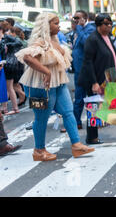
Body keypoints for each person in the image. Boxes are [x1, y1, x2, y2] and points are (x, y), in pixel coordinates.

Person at [15, 12, 94, 161]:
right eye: (56, 23)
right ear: (46, 25)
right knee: (42, 118)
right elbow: (27, 57)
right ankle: (39, 150)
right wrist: (45, 71)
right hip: (41, 84)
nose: (59, 26)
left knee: (68, 112)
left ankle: (76, 145)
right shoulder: (40, 41)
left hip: (58, 82)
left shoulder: (54, 40)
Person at [77, 14, 116, 144]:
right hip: (96, 79)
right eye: (106, 24)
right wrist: (94, 82)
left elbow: (112, 56)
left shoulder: (106, 37)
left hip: (111, 77)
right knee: (94, 107)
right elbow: (88, 62)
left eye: (110, 23)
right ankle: (92, 137)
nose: (110, 26)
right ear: (99, 25)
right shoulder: (92, 39)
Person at [71, 10, 96, 129]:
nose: (75, 20)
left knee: (89, 97)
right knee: (79, 97)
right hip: (78, 70)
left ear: (85, 19)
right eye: (74, 18)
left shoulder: (90, 28)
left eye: (78, 18)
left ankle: (93, 122)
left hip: (86, 70)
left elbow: (86, 43)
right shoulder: (76, 31)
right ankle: (76, 122)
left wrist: (80, 28)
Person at [0, 27, 25, 115]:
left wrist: (7, 42)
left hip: (8, 65)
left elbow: (18, 43)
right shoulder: (7, 40)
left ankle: (10, 108)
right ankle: (6, 108)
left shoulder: (6, 39)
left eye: (8, 31)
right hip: (11, 65)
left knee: (8, 88)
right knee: (8, 88)